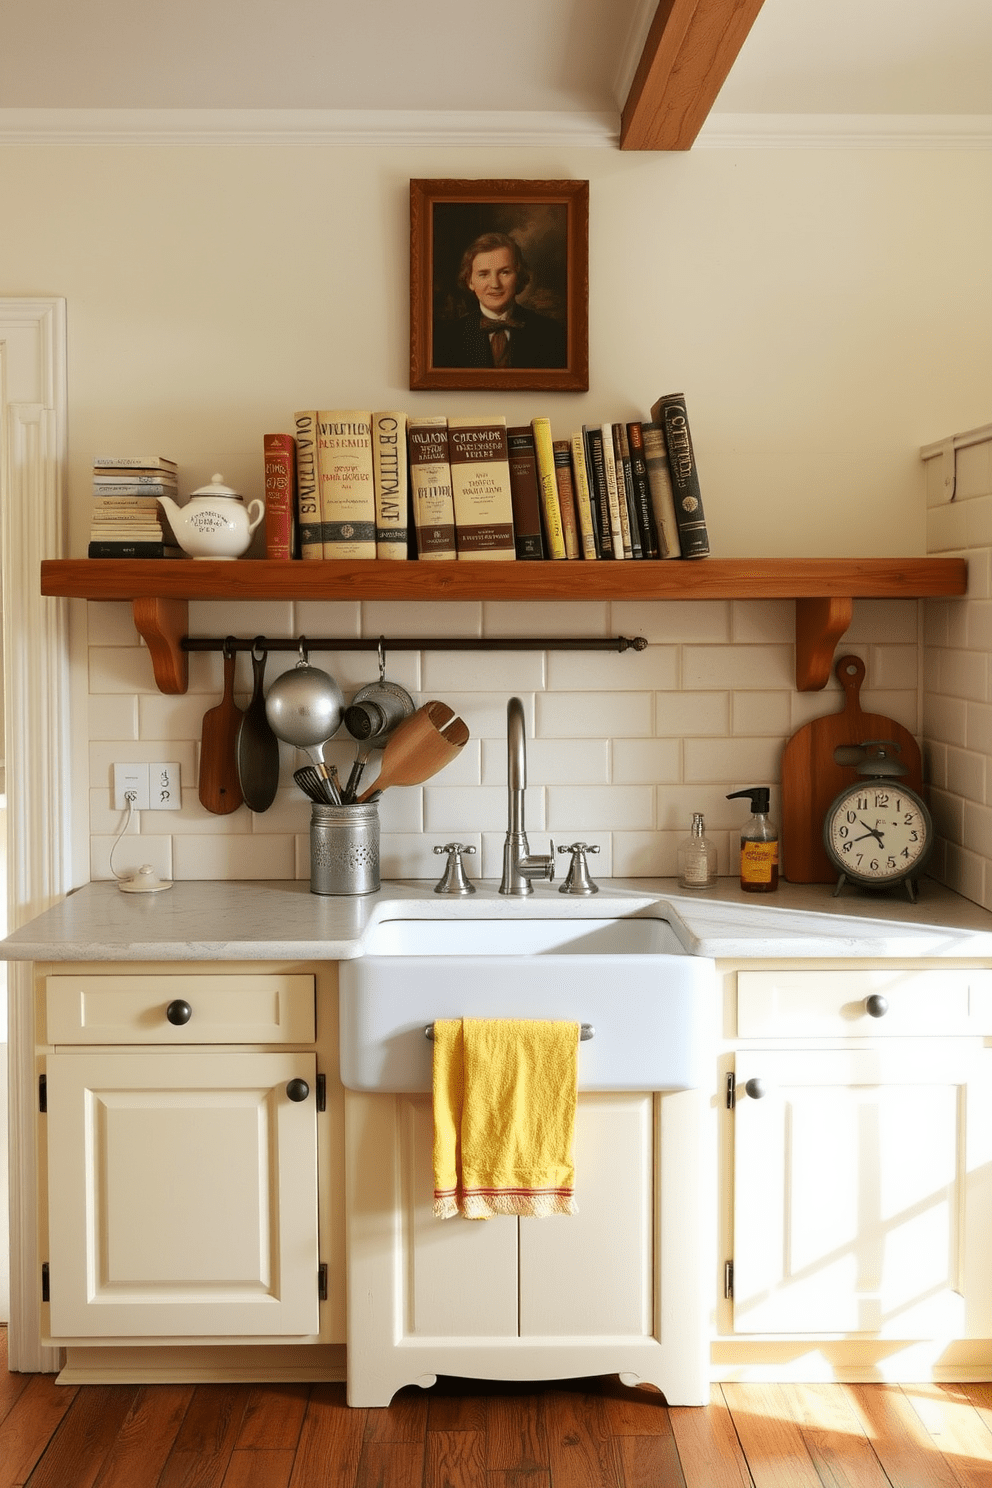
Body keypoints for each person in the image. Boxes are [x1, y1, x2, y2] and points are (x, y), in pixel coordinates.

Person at [433, 231, 567, 370]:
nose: (495, 284)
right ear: (470, 281)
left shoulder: (551, 333)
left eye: (504, 272)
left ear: (519, 276)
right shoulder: (447, 339)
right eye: (483, 274)